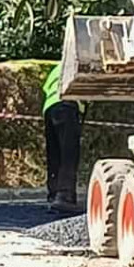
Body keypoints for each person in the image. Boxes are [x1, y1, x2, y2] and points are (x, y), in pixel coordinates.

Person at [42, 60, 82, 213]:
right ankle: (65, 196)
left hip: (50, 109)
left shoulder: (57, 69)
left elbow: (46, 87)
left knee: (54, 154)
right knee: (69, 154)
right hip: (67, 107)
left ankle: (53, 194)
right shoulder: (79, 67)